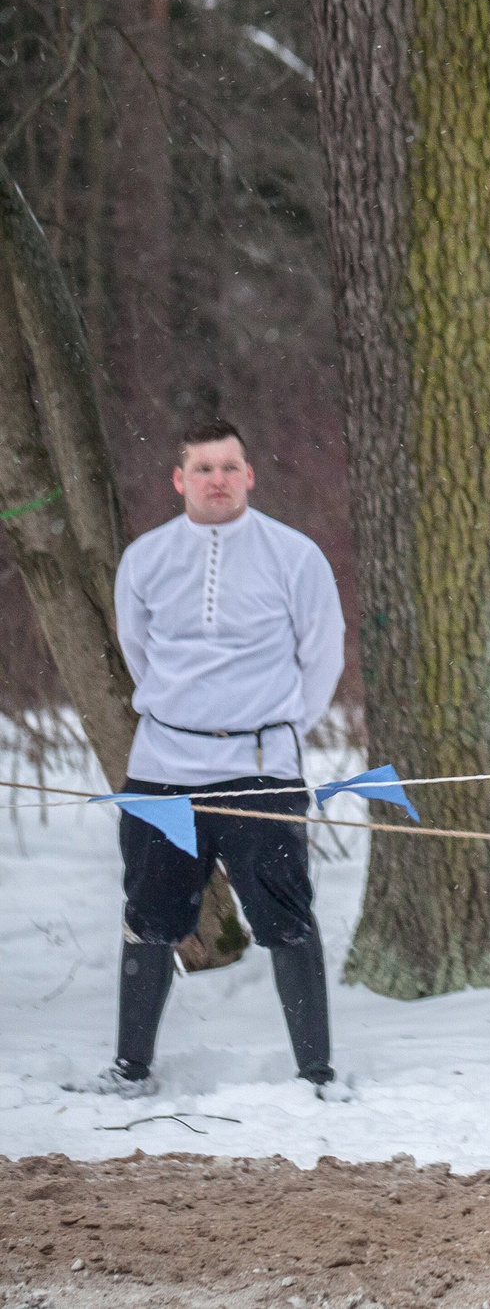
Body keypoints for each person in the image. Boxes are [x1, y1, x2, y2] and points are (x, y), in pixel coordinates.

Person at [67, 419, 348, 1100]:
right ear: (179, 478)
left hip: (262, 770)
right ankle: (130, 1069)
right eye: (202, 468)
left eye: (229, 467)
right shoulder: (146, 558)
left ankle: (316, 1074)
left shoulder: (295, 554)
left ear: (249, 475)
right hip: (163, 769)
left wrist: (273, 732)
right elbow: (140, 651)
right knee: (151, 916)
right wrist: (187, 725)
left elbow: (324, 653)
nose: (216, 479)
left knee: (286, 916)